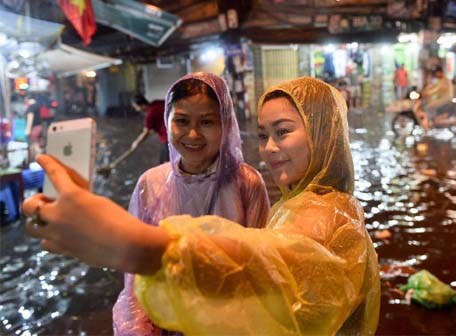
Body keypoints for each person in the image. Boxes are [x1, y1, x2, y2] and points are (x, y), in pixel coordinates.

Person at [23, 77, 381, 335]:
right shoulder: (305, 202)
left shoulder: (319, 210)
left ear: (323, 134)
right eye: (263, 135)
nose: (269, 148)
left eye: (283, 132)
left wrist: (134, 246)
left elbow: (266, 266)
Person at [113, 72, 271, 335]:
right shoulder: (149, 184)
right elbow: (135, 273)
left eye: (207, 122)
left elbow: (261, 267)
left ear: (226, 125)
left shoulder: (247, 183)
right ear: (167, 121)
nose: (193, 134)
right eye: (182, 121)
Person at [111, 94, 169, 166]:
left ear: (141, 105)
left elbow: (146, 132)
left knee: (165, 164)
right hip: (174, 135)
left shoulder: (150, 114)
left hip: (168, 139)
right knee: (163, 162)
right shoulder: (157, 103)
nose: (136, 109)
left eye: (136, 107)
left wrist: (136, 142)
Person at [416, 65, 454, 129]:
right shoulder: (441, 80)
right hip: (440, 98)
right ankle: (433, 120)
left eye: (437, 73)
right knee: (428, 104)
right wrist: (425, 91)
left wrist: (427, 93)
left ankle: (431, 122)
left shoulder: (445, 80)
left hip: (445, 99)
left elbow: (437, 90)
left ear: (440, 72)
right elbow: (434, 87)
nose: (436, 74)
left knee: (428, 107)